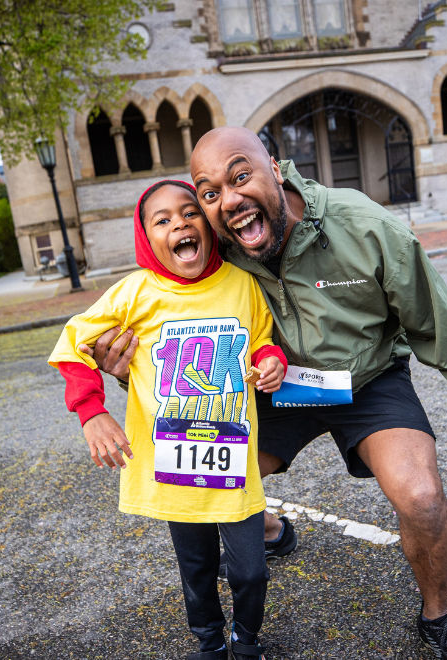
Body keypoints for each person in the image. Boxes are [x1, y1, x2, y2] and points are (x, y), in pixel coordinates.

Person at [88, 127, 447, 660]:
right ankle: (270, 528)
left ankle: (438, 617)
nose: (230, 200)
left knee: (421, 498)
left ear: (276, 169)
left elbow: (443, 329)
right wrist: (121, 368)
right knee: (196, 474)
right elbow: (166, 329)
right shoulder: (210, 252)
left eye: (241, 176)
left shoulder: (366, 226)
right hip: (274, 388)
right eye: (209, 193)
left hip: (368, 381)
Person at [49, 180, 287, 660]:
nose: (179, 223)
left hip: (234, 465)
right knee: (196, 569)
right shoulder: (133, 293)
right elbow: (72, 344)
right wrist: (91, 412)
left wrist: (270, 359)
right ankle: (209, 643)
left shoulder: (242, 284)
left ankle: (246, 641)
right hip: (175, 466)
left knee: (250, 571)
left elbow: (261, 337)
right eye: (162, 220)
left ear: (207, 224)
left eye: (189, 212)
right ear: (147, 239)